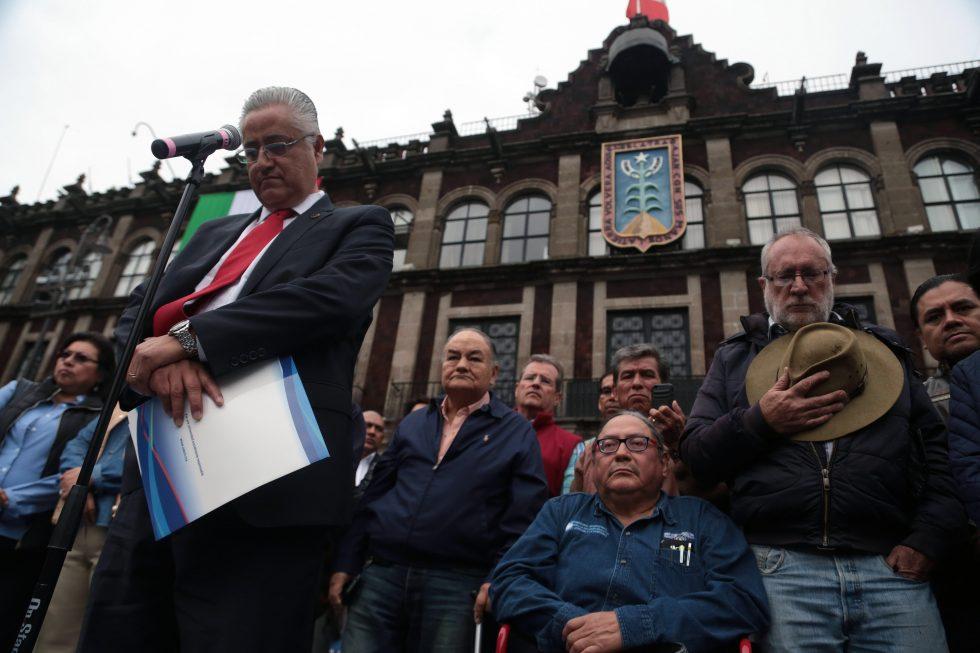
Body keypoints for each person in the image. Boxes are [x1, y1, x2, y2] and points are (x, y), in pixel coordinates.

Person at [79, 87, 394, 652]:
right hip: (160, 466)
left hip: (268, 476)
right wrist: (154, 367)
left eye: (277, 144)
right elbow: (137, 311)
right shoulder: (211, 233)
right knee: (122, 626)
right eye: (250, 150)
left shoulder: (360, 226)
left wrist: (189, 341)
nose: (261, 161)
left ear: (318, 146)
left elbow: (328, 300)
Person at [680, 227, 964, 651]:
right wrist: (763, 421)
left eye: (812, 273)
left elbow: (940, 454)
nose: (798, 286)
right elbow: (696, 457)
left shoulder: (884, 351)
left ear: (832, 278)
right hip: (780, 574)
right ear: (764, 286)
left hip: (891, 570)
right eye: (784, 276)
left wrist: (927, 539)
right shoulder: (734, 357)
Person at [328, 328, 548, 652]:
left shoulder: (515, 432)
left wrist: (498, 576)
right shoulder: (413, 424)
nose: (461, 364)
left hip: (457, 586)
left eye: (474, 358)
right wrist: (347, 561)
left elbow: (524, 515)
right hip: (380, 579)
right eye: (453, 356)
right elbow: (374, 495)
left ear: (495, 373)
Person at [491, 411, 769, 653]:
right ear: (593, 462)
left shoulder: (701, 519)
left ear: (663, 464)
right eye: (608, 445)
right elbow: (509, 582)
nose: (621, 453)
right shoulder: (561, 511)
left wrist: (633, 627)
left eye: (637, 443)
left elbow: (743, 600)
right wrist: (571, 625)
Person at [0, 331, 114, 651]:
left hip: (25, 536)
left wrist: (10, 498)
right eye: (65, 354)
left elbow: (74, 472)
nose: (68, 361)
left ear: (100, 374)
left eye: (81, 358)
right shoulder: (20, 392)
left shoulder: (98, 418)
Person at [35, 405, 128, 653]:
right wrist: (81, 485)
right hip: (81, 526)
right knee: (55, 627)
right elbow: (76, 446)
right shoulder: (121, 405)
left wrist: (89, 477)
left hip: (122, 530)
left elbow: (153, 464)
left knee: (104, 630)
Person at [911, 273, 980, 422]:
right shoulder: (917, 407)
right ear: (922, 337)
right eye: (934, 317)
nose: (950, 320)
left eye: (963, 308)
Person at [514, 354, 581, 497]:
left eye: (545, 381)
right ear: (517, 389)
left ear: (557, 398)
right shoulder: (493, 430)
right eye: (530, 378)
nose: (536, 383)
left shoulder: (571, 445)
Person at [567, 370, 618, 493]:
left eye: (618, 390)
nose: (612, 397)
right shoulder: (581, 450)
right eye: (606, 391)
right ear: (599, 403)